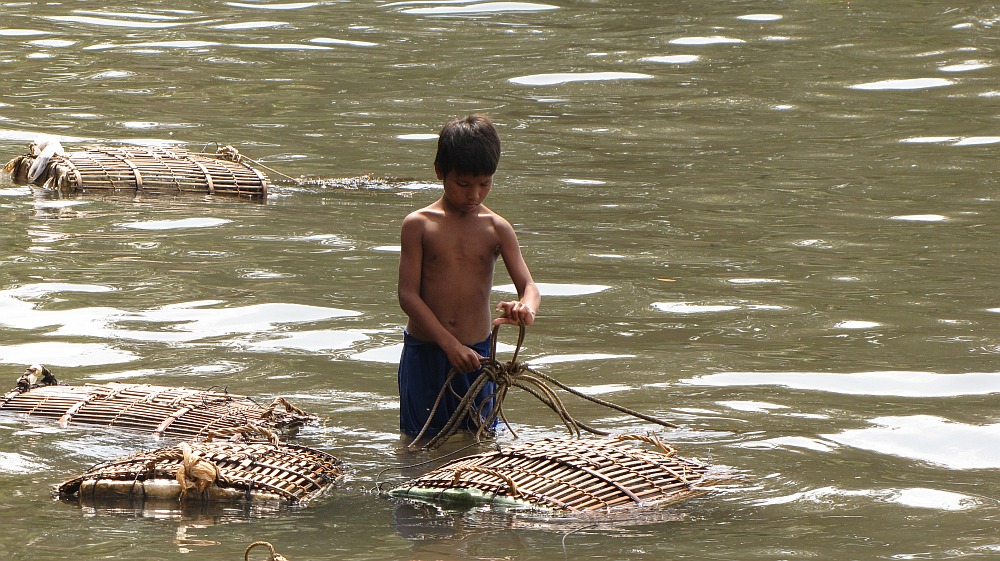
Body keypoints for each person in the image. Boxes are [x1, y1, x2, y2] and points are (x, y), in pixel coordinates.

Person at [396, 114, 540, 439]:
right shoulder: (419, 225)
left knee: (479, 441)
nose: (474, 195)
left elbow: (529, 287)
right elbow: (407, 295)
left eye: (484, 184)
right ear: (439, 172)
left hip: (478, 355)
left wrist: (525, 309)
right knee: (419, 443)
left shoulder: (496, 228)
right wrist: (448, 345)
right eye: (463, 184)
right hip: (427, 353)